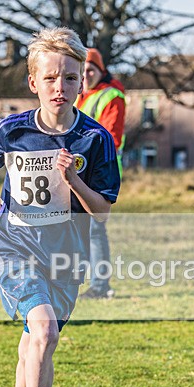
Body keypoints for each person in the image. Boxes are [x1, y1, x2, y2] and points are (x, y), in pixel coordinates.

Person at [0, 27, 120, 387]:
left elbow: (103, 211)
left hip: (65, 253)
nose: (61, 87)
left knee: (35, 343)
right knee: (44, 331)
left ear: (82, 83)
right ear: (34, 82)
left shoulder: (95, 139)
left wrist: (73, 180)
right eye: (51, 78)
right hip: (15, 247)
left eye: (70, 78)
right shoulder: (13, 129)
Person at [75, 48, 126, 300]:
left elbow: (110, 138)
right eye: (82, 70)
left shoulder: (111, 96)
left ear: (100, 70)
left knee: (95, 229)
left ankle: (100, 285)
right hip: (78, 170)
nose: (86, 74)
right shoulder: (80, 95)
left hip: (100, 171)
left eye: (91, 69)